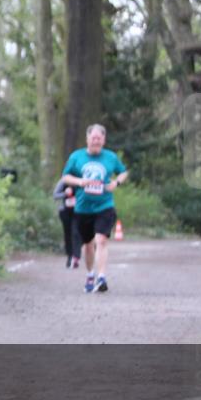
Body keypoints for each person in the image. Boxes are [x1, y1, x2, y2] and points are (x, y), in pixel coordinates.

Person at [61, 124, 128, 293]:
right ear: (87, 139)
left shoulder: (110, 157)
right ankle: (90, 274)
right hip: (83, 208)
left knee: (101, 240)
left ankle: (101, 277)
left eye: (99, 138)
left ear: (104, 140)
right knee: (88, 245)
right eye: (93, 138)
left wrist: (116, 183)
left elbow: (123, 172)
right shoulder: (76, 157)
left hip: (104, 206)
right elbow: (65, 177)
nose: (96, 141)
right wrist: (79, 182)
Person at [52, 179, 81, 268]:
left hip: (78, 211)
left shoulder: (81, 181)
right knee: (68, 234)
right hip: (65, 212)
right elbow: (55, 195)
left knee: (76, 233)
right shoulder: (63, 182)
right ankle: (69, 256)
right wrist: (65, 193)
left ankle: (76, 256)